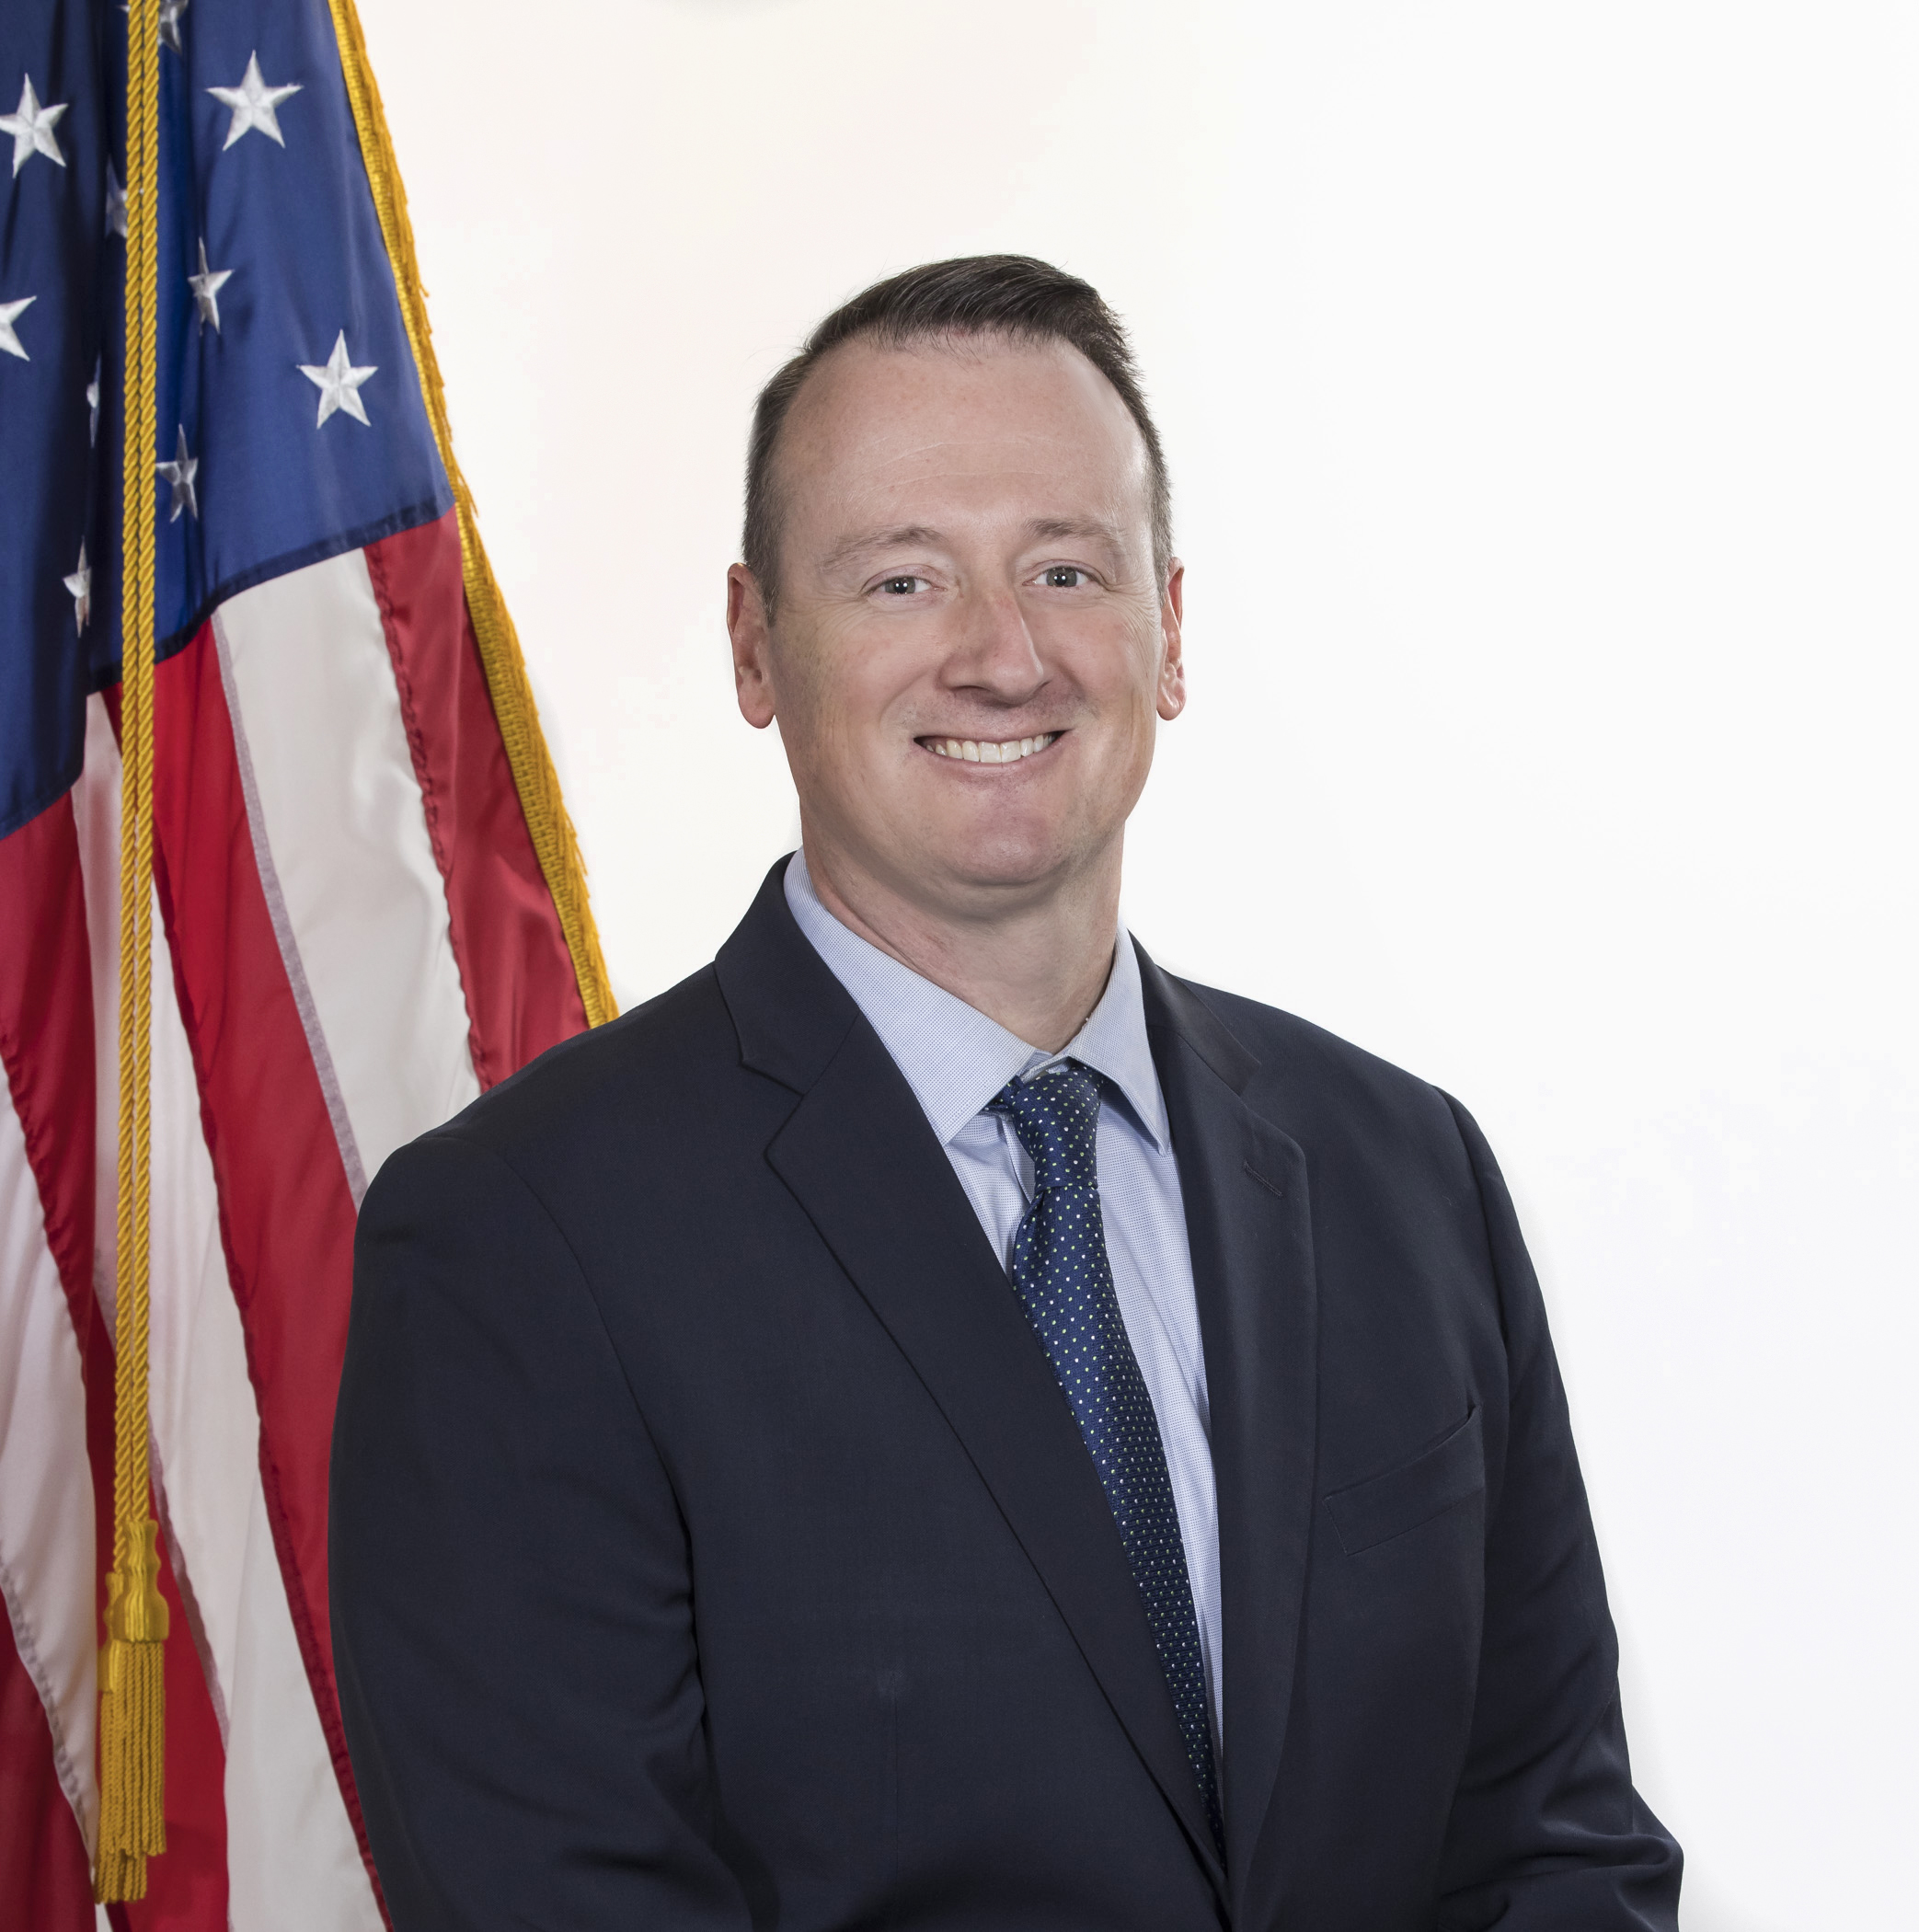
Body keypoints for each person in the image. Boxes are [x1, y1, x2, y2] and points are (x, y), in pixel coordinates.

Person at [330, 255, 1683, 1930]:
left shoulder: (1405, 1173)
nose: (1000, 655)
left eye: (1064, 569)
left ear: (1167, 631)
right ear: (755, 645)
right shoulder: (519, 1239)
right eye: (902, 580)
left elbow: (1554, 1842)